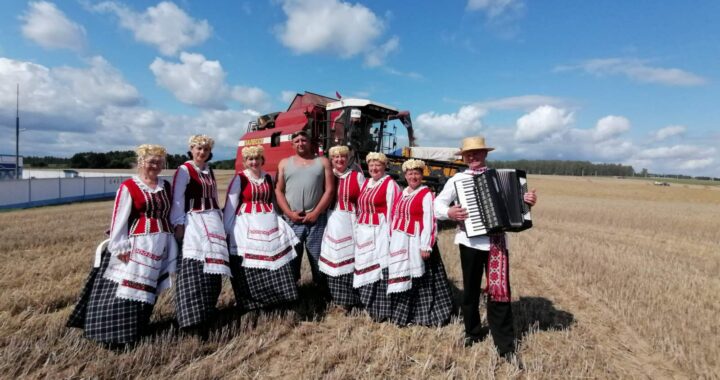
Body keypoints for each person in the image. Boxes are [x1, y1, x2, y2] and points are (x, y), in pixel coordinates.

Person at [434, 136, 537, 361]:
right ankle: (472, 331)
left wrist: (527, 201)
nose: (472, 156)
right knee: (470, 290)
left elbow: (521, 207)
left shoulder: (502, 177)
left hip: (496, 243)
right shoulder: (458, 180)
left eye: (477, 153)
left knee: (499, 293)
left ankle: (505, 344)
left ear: (485, 154)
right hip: (469, 243)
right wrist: (449, 213)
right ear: (463, 157)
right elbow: (437, 204)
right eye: (468, 154)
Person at [67, 144, 177, 346]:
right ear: (141, 162)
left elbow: (170, 215)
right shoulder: (130, 187)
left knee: (147, 290)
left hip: (159, 246)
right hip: (137, 244)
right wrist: (120, 247)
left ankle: (137, 328)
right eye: (151, 161)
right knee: (124, 289)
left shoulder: (165, 186)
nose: (156, 166)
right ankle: (113, 335)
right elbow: (119, 219)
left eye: (159, 162)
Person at [223, 146, 300, 310]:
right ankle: (253, 301)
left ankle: (277, 297)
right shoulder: (240, 179)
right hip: (247, 223)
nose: (254, 162)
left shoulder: (267, 178)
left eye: (257, 158)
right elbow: (230, 207)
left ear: (261, 160)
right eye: (250, 159)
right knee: (251, 261)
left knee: (276, 256)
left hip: (269, 221)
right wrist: (228, 230)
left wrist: (279, 219)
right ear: (245, 162)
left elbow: (271, 201)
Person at [171, 135, 231, 335]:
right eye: (198, 148)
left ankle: (207, 309)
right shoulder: (184, 170)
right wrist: (178, 223)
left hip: (212, 219)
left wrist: (220, 220)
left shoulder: (208, 170)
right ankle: (191, 318)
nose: (202, 152)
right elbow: (178, 198)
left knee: (214, 266)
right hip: (194, 220)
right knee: (194, 266)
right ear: (191, 149)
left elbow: (213, 197)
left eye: (205, 149)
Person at [388, 159, 453, 327]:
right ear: (405, 175)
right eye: (410, 173)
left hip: (418, 242)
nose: (413, 176)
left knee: (422, 280)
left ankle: (425, 316)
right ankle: (403, 315)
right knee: (404, 277)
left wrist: (426, 245)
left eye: (416, 173)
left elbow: (430, 221)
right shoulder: (403, 192)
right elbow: (396, 215)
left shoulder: (426, 194)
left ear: (422, 175)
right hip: (402, 241)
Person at [275, 130, 334, 289]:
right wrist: (289, 213)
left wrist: (315, 213)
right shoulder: (284, 163)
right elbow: (279, 190)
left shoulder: (322, 162)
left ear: (310, 142)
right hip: (292, 220)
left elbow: (329, 190)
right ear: (292, 144)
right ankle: (292, 290)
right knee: (291, 258)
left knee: (318, 258)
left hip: (316, 220)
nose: (301, 143)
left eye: (304, 140)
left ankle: (321, 290)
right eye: (297, 141)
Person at [353, 152, 400, 322]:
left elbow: (393, 213)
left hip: (379, 232)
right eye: (371, 165)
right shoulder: (366, 183)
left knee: (378, 269)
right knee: (364, 266)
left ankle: (381, 310)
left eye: (378, 165)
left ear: (384, 166)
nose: (374, 168)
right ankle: (368, 304)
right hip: (364, 231)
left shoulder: (390, 185)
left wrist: (390, 237)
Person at [318, 145, 365, 308]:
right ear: (331, 159)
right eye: (336, 157)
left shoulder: (357, 177)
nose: (339, 160)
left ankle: (352, 297)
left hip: (351, 220)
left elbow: (364, 201)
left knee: (350, 255)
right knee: (333, 255)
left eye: (343, 157)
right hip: (332, 219)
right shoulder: (327, 176)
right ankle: (334, 295)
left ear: (348, 159)